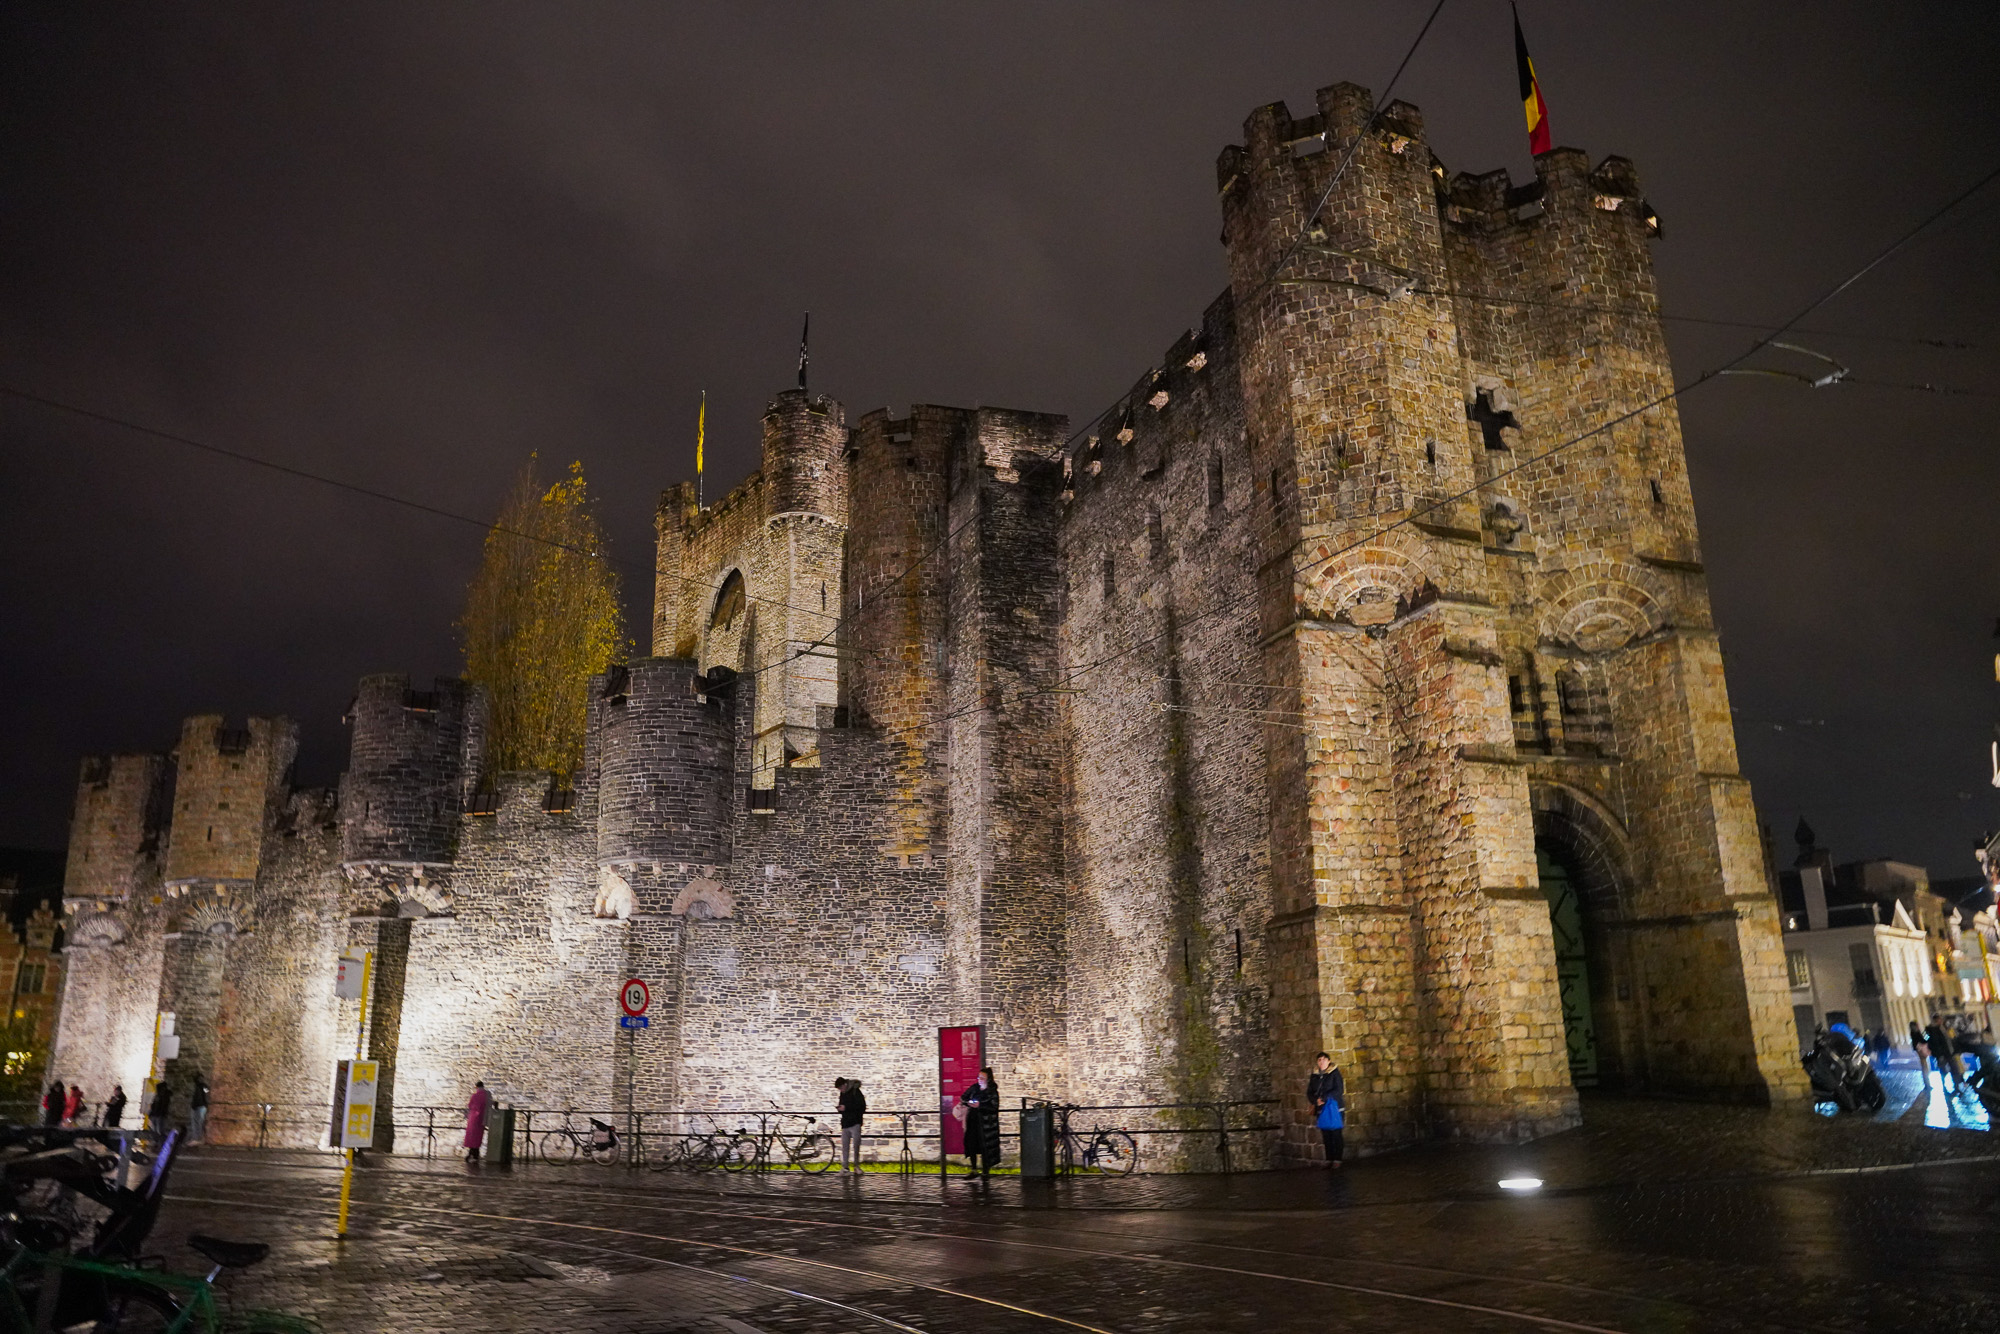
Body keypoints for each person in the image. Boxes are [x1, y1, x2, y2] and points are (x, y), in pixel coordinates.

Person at [959, 1067, 1002, 1179]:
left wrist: (981, 1105)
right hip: (973, 1120)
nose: (980, 1079)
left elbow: (994, 1106)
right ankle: (974, 1169)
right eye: (979, 1077)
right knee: (972, 1144)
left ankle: (985, 1171)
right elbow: (963, 1097)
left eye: (983, 1078)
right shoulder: (974, 1088)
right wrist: (969, 1103)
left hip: (986, 1123)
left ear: (988, 1079)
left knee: (985, 1146)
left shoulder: (992, 1091)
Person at [1308, 1052, 1346, 1169]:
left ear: (1329, 1061)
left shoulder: (1334, 1074)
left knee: (1336, 1134)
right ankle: (1329, 1158)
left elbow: (1338, 1090)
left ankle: (1337, 1159)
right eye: (1319, 1060)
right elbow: (1309, 1091)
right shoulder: (1314, 1076)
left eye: (1324, 1059)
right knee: (1326, 1135)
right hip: (1322, 1109)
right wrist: (1315, 1100)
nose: (1321, 1061)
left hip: (1334, 1108)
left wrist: (1324, 1098)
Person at [835, 1077, 866, 1173]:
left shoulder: (855, 1091)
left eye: (841, 1088)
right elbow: (842, 1105)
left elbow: (862, 1106)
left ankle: (856, 1166)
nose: (841, 1090)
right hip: (845, 1123)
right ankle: (845, 1167)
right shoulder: (842, 1093)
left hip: (855, 1122)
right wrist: (840, 1109)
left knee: (856, 1146)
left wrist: (846, 1108)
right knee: (845, 1146)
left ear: (844, 1085)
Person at [1925, 1017, 1960, 1095]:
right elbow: (1935, 1043)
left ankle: (1956, 1087)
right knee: (1944, 1071)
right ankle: (1945, 1087)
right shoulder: (1932, 1030)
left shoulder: (1943, 1028)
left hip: (1948, 1053)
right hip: (1942, 1054)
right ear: (1936, 1021)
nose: (1941, 1021)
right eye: (1939, 1020)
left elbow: (1948, 1040)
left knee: (1954, 1069)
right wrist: (1939, 1054)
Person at [464, 1080, 492, 1162]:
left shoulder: (474, 1096)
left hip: (473, 1118)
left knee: (471, 1136)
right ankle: (476, 1153)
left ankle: (471, 1152)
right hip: (482, 1118)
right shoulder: (487, 1095)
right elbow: (490, 1104)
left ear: (476, 1087)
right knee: (478, 1136)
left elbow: (470, 1105)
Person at [188, 1074, 209, 1143]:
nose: (200, 1080)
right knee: (194, 1123)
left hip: (201, 1106)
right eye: (198, 1078)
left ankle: (199, 1138)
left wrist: (203, 1086)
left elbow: (207, 1091)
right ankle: (195, 1138)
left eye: (201, 1078)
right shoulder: (195, 1086)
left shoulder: (203, 1086)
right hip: (195, 1106)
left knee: (200, 1122)